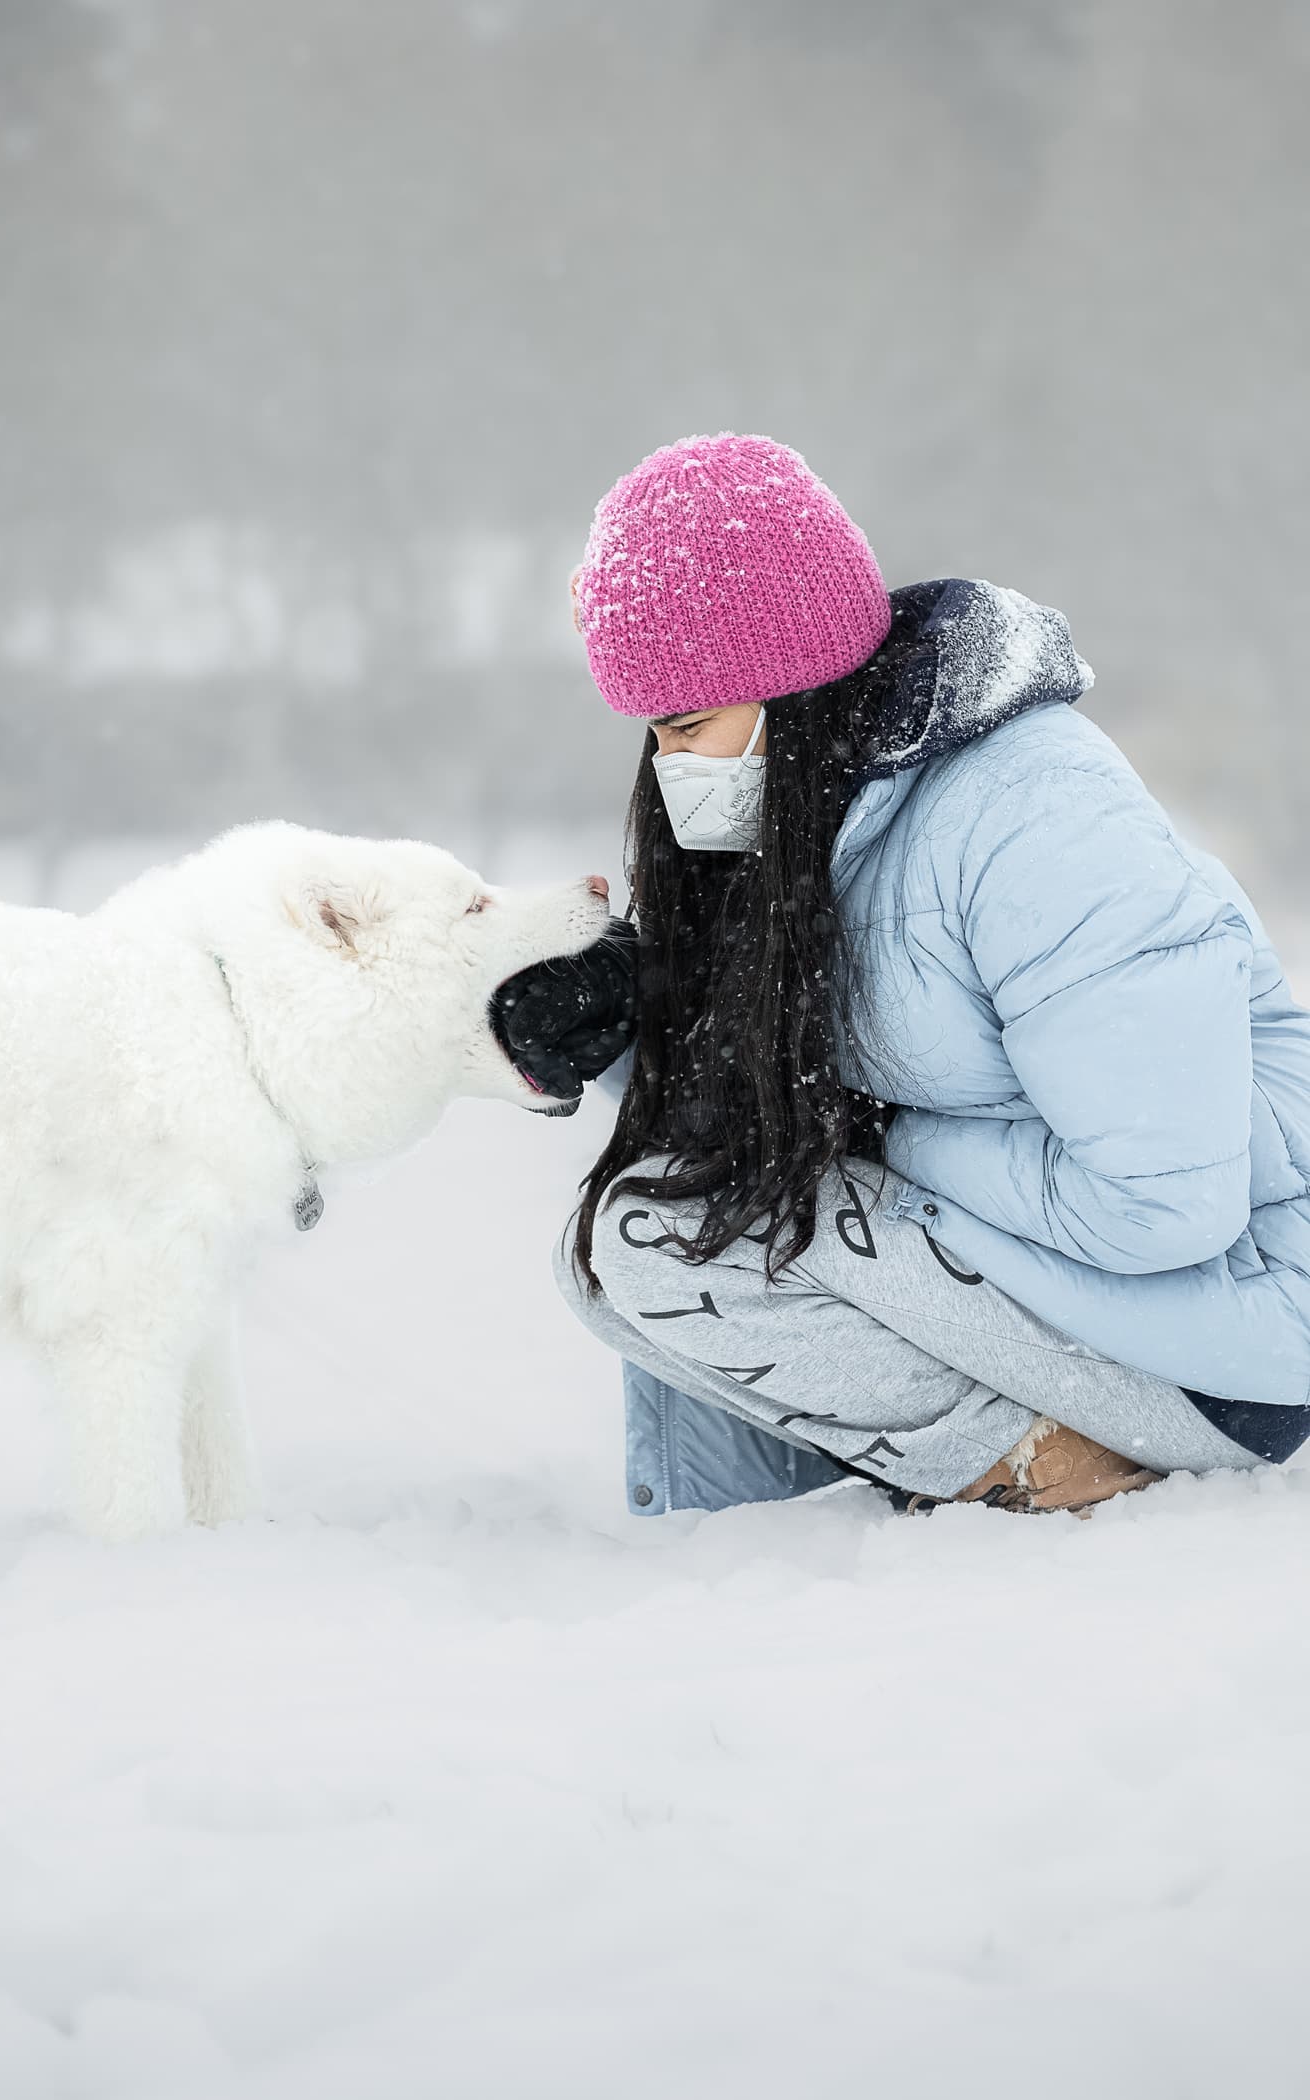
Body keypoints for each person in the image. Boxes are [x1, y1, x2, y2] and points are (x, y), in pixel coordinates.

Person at [498, 432, 1310, 1518]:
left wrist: (865, 1133)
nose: (668, 763)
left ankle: (1059, 1476)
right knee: (619, 1252)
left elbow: (1160, 1209)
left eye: (686, 723)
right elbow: (760, 1098)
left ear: (783, 681)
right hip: (1084, 1309)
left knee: (648, 1234)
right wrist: (621, 1023)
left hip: (1228, 1340)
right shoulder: (803, 823)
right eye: (651, 731)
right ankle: (753, 1563)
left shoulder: (1036, 822)